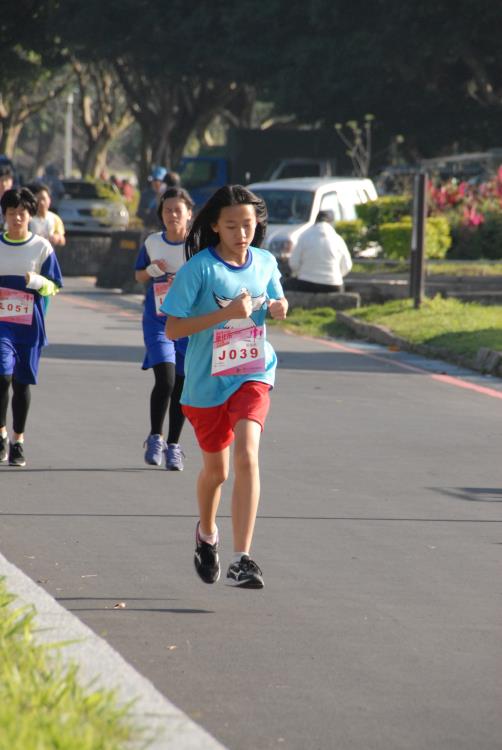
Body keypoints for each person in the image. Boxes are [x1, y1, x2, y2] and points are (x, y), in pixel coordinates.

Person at [162, 185, 288, 589]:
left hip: (252, 372)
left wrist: (279, 308)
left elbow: (273, 302)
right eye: (231, 225)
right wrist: (227, 314)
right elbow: (174, 327)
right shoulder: (199, 269)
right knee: (216, 473)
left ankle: (243, 558)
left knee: (248, 453)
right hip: (204, 384)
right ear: (215, 225)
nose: (241, 232)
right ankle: (206, 534)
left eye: (248, 224)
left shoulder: (266, 262)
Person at [0, 188, 63, 467]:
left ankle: (18, 440)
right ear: (4, 215)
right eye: (11, 214)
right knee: (2, 377)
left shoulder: (42, 247)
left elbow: (55, 286)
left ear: (30, 215)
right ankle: (1, 434)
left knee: (23, 383)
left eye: (21, 214)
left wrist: (37, 281)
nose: (16, 219)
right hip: (2, 326)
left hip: (29, 325)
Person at [134, 187, 194, 470]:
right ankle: (155, 436)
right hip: (158, 319)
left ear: (189, 214)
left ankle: (174, 445)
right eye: (167, 210)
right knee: (166, 379)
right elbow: (138, 275)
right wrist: (153, 272)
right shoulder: (152, 243)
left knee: (181, 385)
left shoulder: (197, 246)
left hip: (189, 322)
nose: (172, 215)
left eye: (177, 210)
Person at [287, 209, 353, 292]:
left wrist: (301, 273)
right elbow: (347, 265)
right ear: (332, 223)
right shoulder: (338, 239)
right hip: (333, 286)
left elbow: (293, 263)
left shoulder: (304, 236)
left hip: (306, 283)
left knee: (286, 284)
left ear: (316, 220)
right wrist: (336, 276)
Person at [137, 166, 168, 230]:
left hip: (166, 230)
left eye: (160, 181)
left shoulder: (170, 195)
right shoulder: (146, 194)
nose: (157, 183)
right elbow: (139, 212)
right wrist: (148, 214)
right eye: (154, 180)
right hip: (149, 228)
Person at [0, 165, 15, 230]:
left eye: (6, 180)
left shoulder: (16, 200)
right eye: (1, 180)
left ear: (11, 182)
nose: (3, 184)